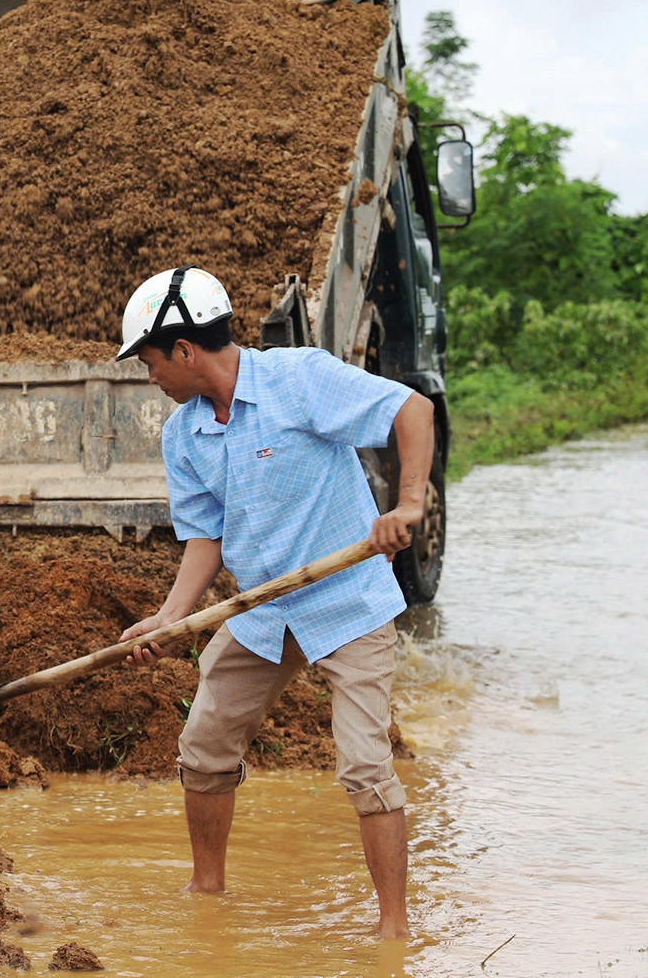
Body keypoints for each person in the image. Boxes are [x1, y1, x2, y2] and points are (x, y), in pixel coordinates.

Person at [115, 265, 433, 941]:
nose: (151, 378)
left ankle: (393, 931)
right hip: (262, 609)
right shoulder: (183, 434)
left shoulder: (299, 379)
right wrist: (173, 614)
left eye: (148, 363)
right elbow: (206, 536)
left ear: (182, 350)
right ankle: (206, 891)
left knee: (363, 764)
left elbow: (412, 409)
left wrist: (407, 503)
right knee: (203, 744)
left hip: (345, 601)